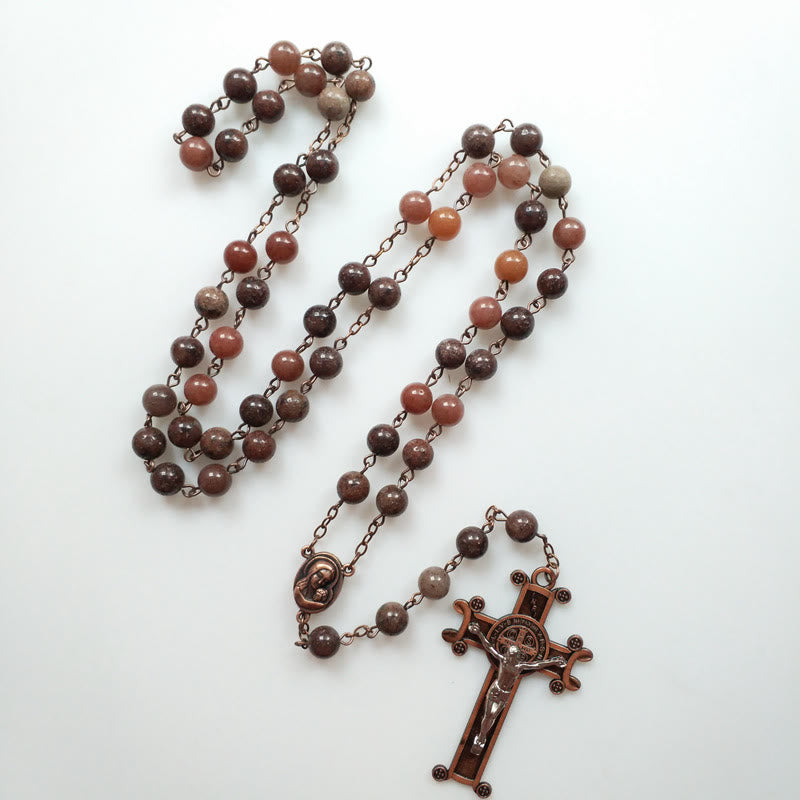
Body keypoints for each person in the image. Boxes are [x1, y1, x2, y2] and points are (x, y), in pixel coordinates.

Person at [467, 622, 566, 754]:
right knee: (488, 714)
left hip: (505, 694)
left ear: (517, 656)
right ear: (508, 653)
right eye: (510, 653)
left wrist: (553, 661)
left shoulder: (519, 667)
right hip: (496, 690)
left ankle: (482, 735)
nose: (511, 656)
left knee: (493, 716)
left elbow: (537, 665)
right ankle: (481, 738)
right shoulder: (503, 660)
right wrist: (478, 632)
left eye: (514, 654)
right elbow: (489, 647)